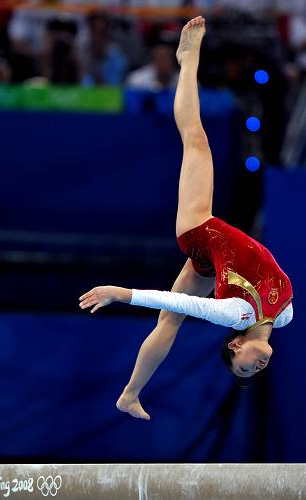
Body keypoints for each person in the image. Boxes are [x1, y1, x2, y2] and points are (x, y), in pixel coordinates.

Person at [79, 17, 293, 420]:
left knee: (195, 138)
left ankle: (188, 58)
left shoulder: (236, 316)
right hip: (210, 261)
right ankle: (130, 394)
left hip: (199, 230)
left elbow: (172, 297)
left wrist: (120, 292)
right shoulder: (284, 316)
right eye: (255, 369)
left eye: (245, 364)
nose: (256, 365)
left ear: (234, 345)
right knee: (169, 324)